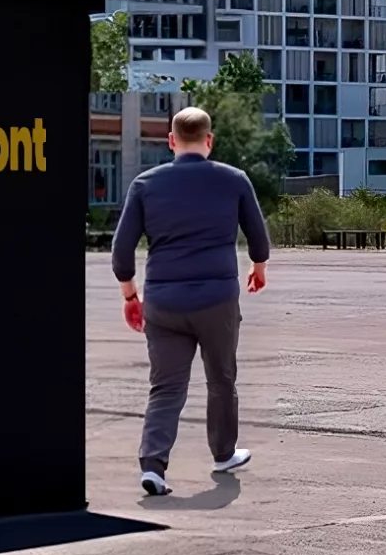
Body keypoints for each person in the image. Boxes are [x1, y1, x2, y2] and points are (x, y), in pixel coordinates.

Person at [111, 106, 271, 498]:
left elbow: (121, 251)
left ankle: (153, 466)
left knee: (165, 388)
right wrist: (258, 268)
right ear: (209, 141)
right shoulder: (234, 180)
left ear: (171, 142)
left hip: (164, 302)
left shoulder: (145, 185)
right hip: (216, 300)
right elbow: (258, 239)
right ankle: (223, 454)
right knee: (221, 380)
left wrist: (131, 296)